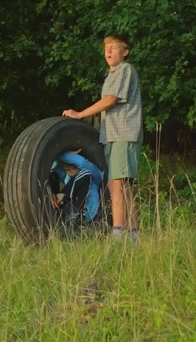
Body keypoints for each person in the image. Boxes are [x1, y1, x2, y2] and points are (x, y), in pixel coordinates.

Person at [62, 34, 143, 241]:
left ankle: (118, 234)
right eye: (106, 48)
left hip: (124, 133)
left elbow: (110, 101)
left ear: (125, 52)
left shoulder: (125, 69)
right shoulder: (111, 74)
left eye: (114, 47)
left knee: (117, 184)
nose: (108, 51)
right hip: (112, 135)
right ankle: (133, 235)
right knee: (120, 185)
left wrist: (80, 114)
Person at [50, 152, 103, 223]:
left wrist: (59, 153)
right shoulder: (68, 178)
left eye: (69, 170)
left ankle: (61, 197)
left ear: (78, 167)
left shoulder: (94, 175)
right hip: (66, 209)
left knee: (85, 173)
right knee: (53, 175)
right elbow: (55, 168)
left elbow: (82, 162)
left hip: (85, 213)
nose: (69, 173)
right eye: (66, 170)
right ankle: (52, 204)